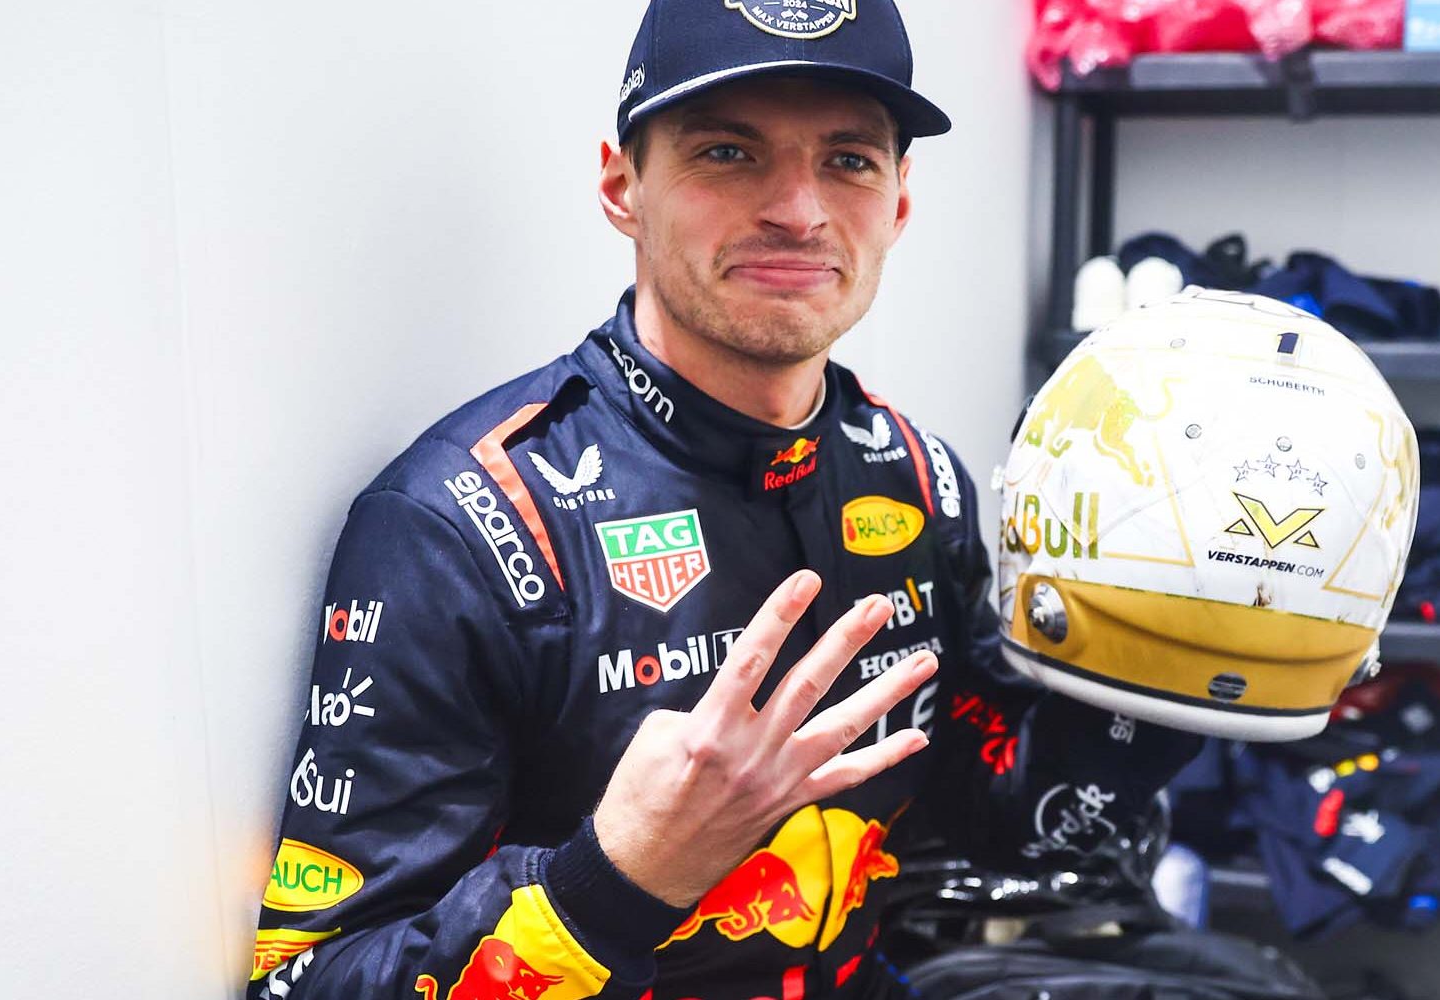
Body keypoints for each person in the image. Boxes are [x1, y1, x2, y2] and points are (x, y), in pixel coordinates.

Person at [247, 2, 1203, 998]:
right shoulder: (465, 524)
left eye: (849, 161)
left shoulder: (920, 477)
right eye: (727, 152)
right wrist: (609, 881)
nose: (799, 208)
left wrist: (1187, 669)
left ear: (900, 204)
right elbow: (306, 980)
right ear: (622, 185)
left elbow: (986, 812)